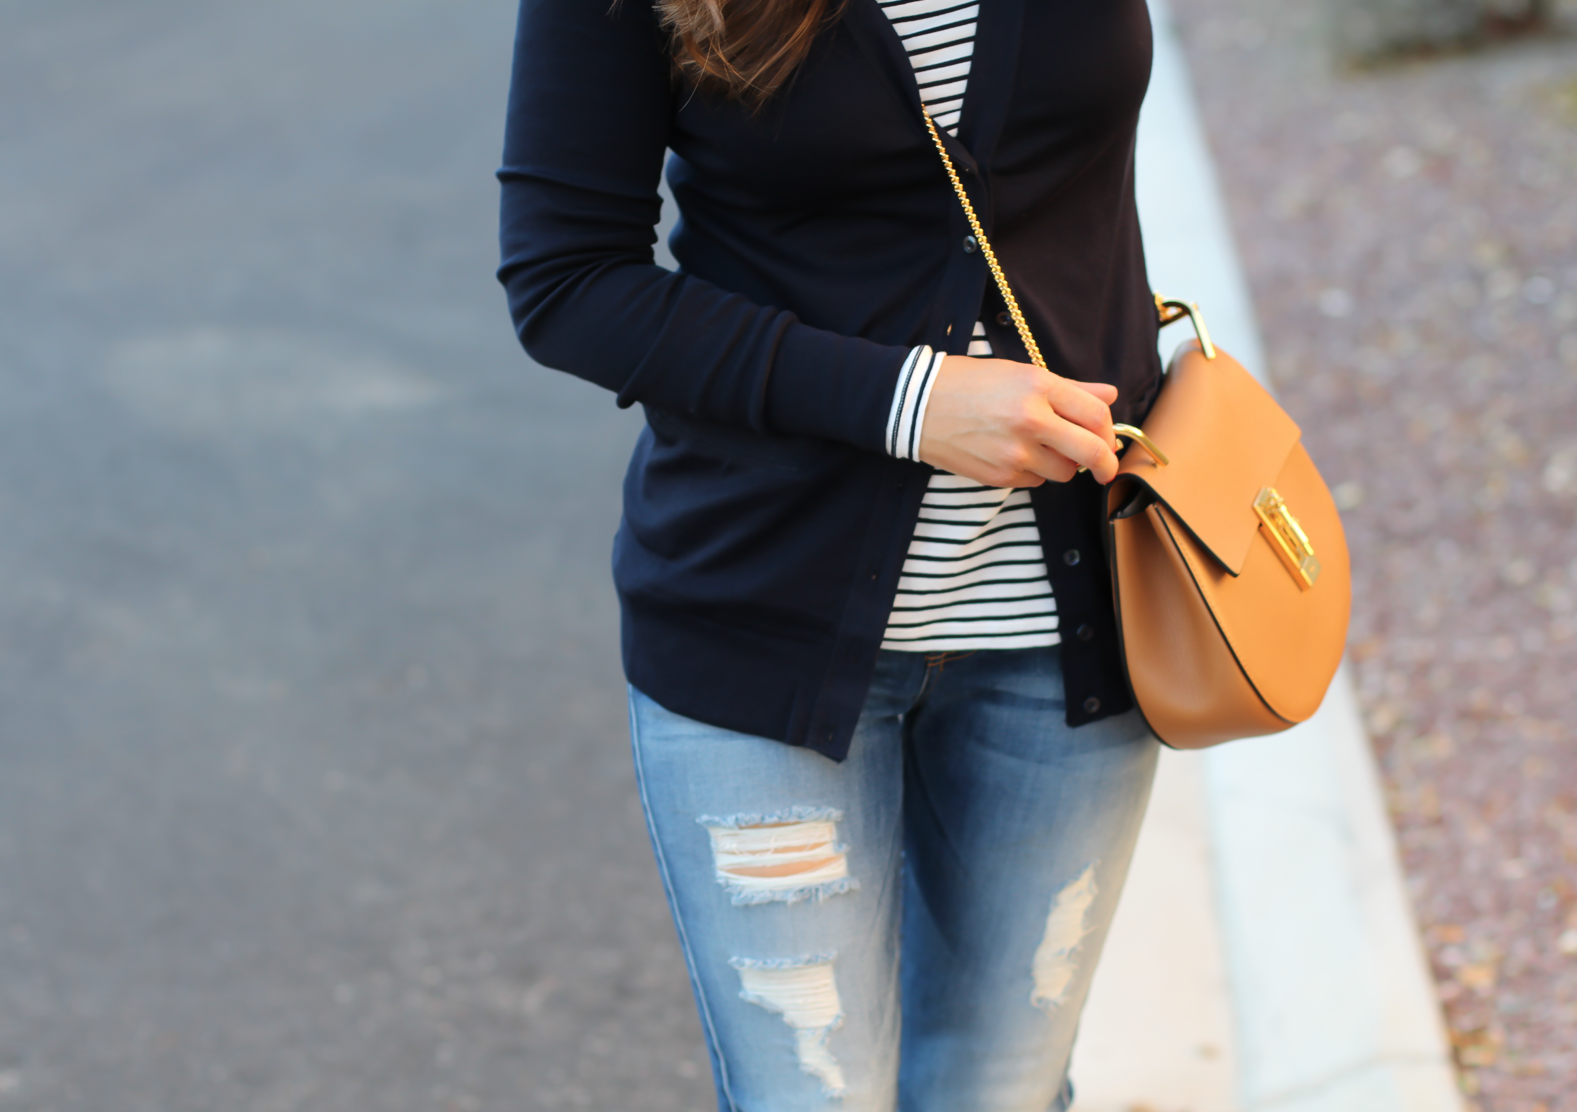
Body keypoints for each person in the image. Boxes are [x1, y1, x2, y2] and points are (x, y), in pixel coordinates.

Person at [498, 0, 1165, 1107]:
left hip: (1066, 631)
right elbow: (566, 281)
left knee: (997, 1093)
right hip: (762, 620)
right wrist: (907, 401)